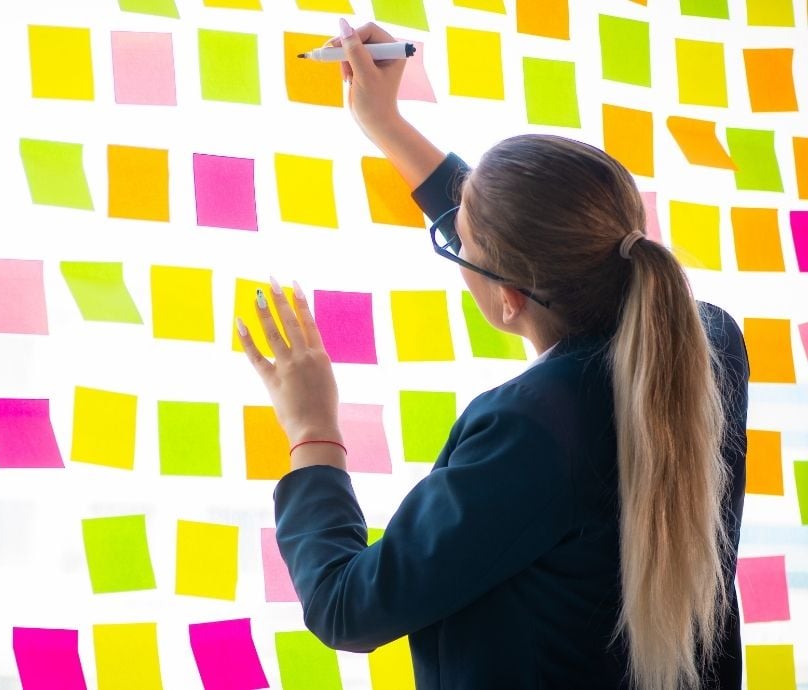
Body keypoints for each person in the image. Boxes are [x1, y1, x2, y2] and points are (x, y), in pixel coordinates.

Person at [235, 19, 750, 690]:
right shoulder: (709, 342)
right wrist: (386, 124)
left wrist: (313, 433)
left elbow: (346, 607)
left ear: (508, 299)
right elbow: (527, 233)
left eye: (461, 246)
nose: (457, 246)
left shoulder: (530, 429)